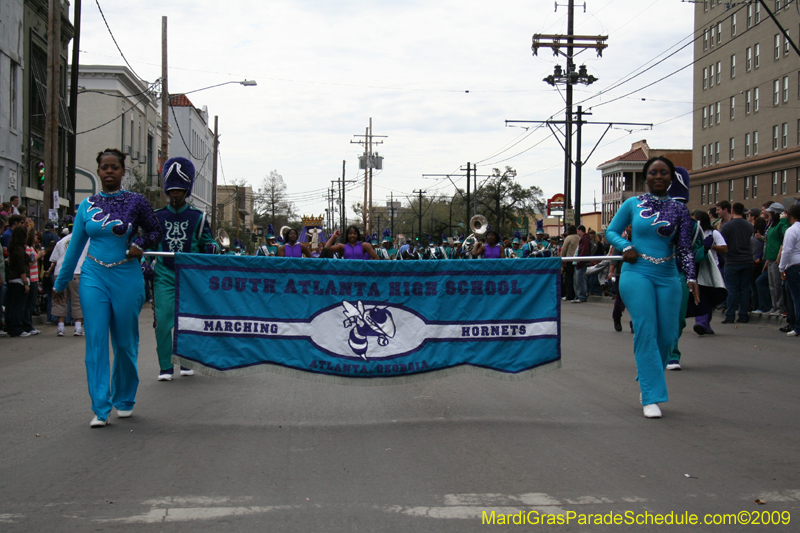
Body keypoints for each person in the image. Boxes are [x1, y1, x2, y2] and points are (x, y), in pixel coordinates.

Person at [53, 148, 161, 428]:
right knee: (96, 341)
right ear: (99, 171)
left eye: (115, 167)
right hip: (93, 276)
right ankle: (100, 407)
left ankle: (124, 398)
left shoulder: (136, 202)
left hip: (126, 276)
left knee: (125, 344)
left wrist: (140, 246)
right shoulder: (86, 206)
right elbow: (75, 246)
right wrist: (60, 282)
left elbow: (155, 230)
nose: (109, 171)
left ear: (123, 171)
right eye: (104, 167)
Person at [605, 156, 698, 419]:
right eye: (654, 172)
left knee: (669, 335)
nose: (659, 176)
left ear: (671, 178)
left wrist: (691, 277)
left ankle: (647, 376)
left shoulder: (680, 210)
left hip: (668, 275)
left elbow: (684, 248)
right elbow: (610, 232)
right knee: (646, 329)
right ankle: (651, 395)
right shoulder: (632, 204)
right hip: (637, 273)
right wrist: (627, 247)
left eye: (664, 173)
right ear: (646, 177)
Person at [152, 157, 219, 381]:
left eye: (180, 190)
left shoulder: (198, 218)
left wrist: (212, 247)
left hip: (190, 276)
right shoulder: (157, 217)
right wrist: (143, 261)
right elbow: (149, 245)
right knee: (163, 320)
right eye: (171, 190)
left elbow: (210, 242)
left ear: (187, 190)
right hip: (164, 274)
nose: (175, 194)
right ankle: (165, 367)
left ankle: (187, 361)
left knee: (188, 321)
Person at [689, 210, 727, 336]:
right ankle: (701, 323)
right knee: (700, 295)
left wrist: (711, 246)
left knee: (708, 296)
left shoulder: (713, 233)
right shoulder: (691, 232)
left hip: (710, 268)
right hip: (696, 267)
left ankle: (705, 323)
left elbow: (724, 248)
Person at [47, 224, 87, 336]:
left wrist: (49, 271)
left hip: (60, 272)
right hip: (77, 271)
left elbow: (54, 260)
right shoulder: (85, 240)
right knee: (77, 300)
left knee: (61, 299)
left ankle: (60, 327)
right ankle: (78, 327)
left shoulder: (60, 242)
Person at [720, 202, 755, 324]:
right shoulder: (749, 226)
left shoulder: (727, 226)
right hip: (747, 259)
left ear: (732, 211)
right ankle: (743, 315)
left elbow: (722, 242)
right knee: (745, 289)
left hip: (732, 260)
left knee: (732, 289)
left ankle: (730, 315)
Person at [6, 226, 32, 337]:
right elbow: (21, 267)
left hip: (13, 279)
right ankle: (17, 328)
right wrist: (25, 282)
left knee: (12, 305)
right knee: (19, 306)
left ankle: (11, 327)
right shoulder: (19, 250)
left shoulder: (14, 248)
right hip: (19, 280)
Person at [779, 205, 800, 336]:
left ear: (791, 216)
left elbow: (786, 250)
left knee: (796, 298)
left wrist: (782, 267)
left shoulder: (792, 230)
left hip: (794, 265)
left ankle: (798, 326)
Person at [572, 225, 591, 303]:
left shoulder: (585, 239)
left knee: (579, 279)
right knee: (577, 280)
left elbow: (584, 250)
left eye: (578, 231)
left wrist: (580, 259)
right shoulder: (583, 239)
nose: (577, 232)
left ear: (580, 230)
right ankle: (578, 295)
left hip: (581, 262)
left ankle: (581, 296)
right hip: (579, 261)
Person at [561, 225, 579, 301]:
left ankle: (569, 294)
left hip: (569, 259)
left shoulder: (568, 238)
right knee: (576, 278)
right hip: (578, 259)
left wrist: (562, 259)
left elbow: (564, 249)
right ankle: (576, 293)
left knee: (569, 278)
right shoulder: (579, 237)